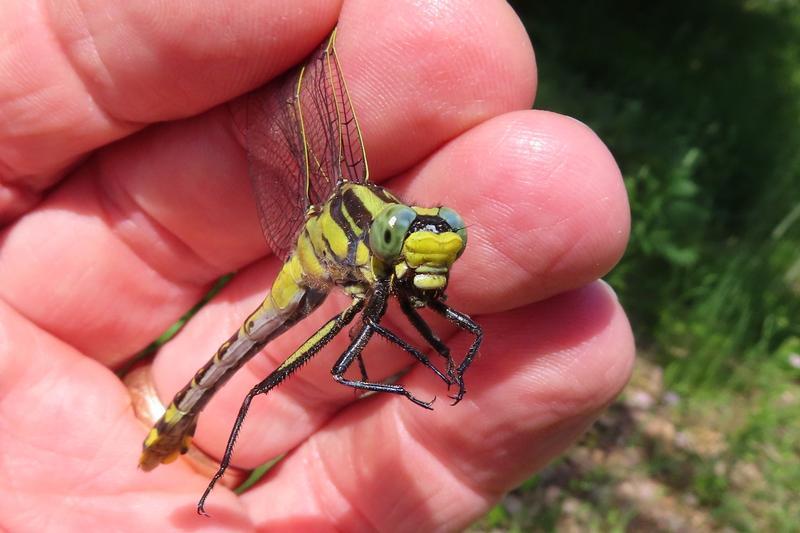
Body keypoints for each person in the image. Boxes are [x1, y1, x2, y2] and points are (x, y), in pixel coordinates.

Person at [0, 0, 634, 530]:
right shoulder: (367, 268)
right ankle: (195, 445)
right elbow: (362, 349)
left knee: (417, 331)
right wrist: (402, 371)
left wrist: (446, 354)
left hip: (348, 279)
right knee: (254, 380)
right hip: (301, 287)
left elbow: (401, 314)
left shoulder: (389, 257)